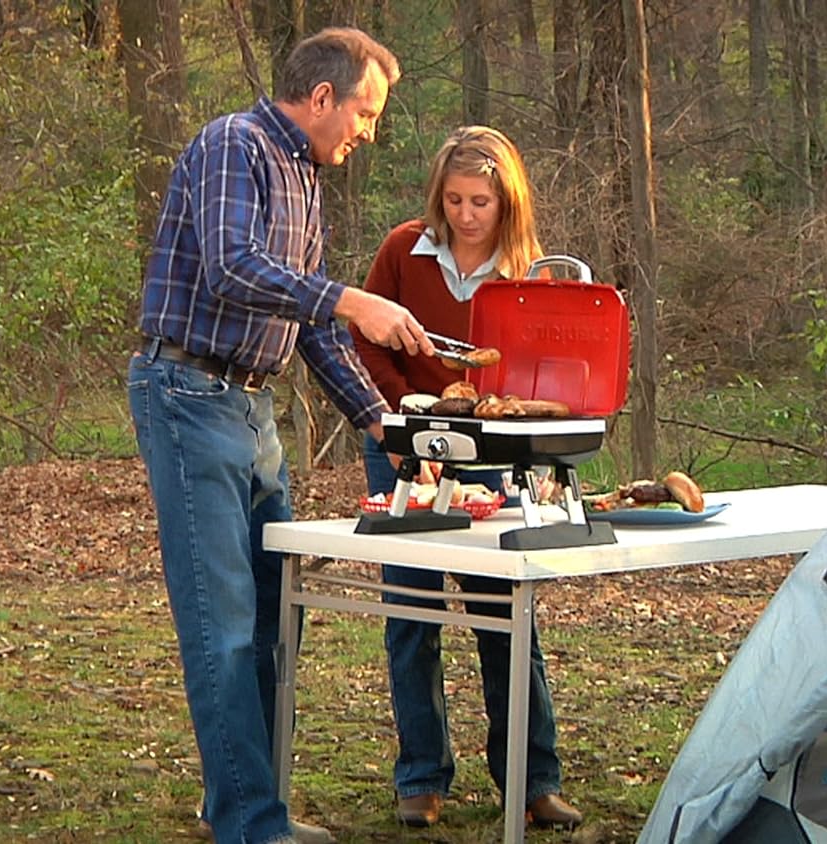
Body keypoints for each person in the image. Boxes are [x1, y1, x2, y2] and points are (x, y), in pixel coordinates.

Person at [127, 27, 435, 844]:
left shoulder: (303, 176)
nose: (368, 131)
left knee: (273, 620)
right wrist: (351, 299)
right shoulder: (237, 144)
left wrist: (384, 422)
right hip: (189, 395)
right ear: (323, 97)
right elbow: (233, 267)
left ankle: (241, 805)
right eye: (364, 113)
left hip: (252, 410)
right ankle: (252, 827)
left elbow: (312, 328)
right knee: (222, 625)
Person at [350, 126, 584, 830]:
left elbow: (534, 373)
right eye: (453, 199)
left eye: (480, 200)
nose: (465, 214)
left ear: (505, 200)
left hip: (491, 450)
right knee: (412, 616)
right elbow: (363, 341)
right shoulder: (403, 250)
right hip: (403, 442)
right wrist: (395, 424)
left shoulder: (529, 272)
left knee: (507, 619)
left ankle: (532, 778)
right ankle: (421, 776)